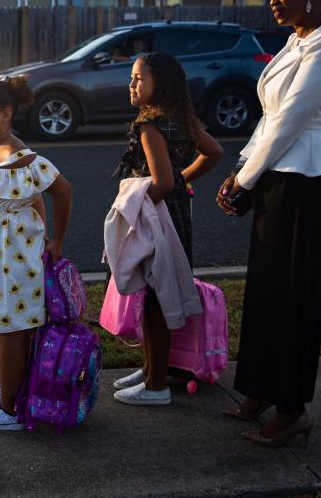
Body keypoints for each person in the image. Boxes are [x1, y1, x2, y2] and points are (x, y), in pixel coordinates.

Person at [216, 0, 321, 447]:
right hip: (275, 177)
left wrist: (244, 181)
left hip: (307, 183)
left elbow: (292, 122)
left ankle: (292, 408)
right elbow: (268, 120)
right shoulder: (295, 43)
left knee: (294, 296)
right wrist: (240, 172)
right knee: (266, 292)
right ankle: (258, 389)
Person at [0, 78, 73, 431]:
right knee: (8, 327)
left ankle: (9, 412)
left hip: (14, 257)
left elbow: (62, 192)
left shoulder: (23, 158)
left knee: (12, 331)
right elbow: (32, 197)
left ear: (6, 114)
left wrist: (56, 240)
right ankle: (13, 388)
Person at [111, 52, 224, 406]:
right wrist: (184, 180)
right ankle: (150, 369)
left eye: (139, 78)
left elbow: (158, 182)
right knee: (159, 294)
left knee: (154, 299)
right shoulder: (180, 117)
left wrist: (131, 202)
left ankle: (156, 384)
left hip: (156, 218)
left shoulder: (150, 125)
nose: (131, 84)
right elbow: (214, 151)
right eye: (132, 77)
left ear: (161, 84)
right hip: (177, 215)